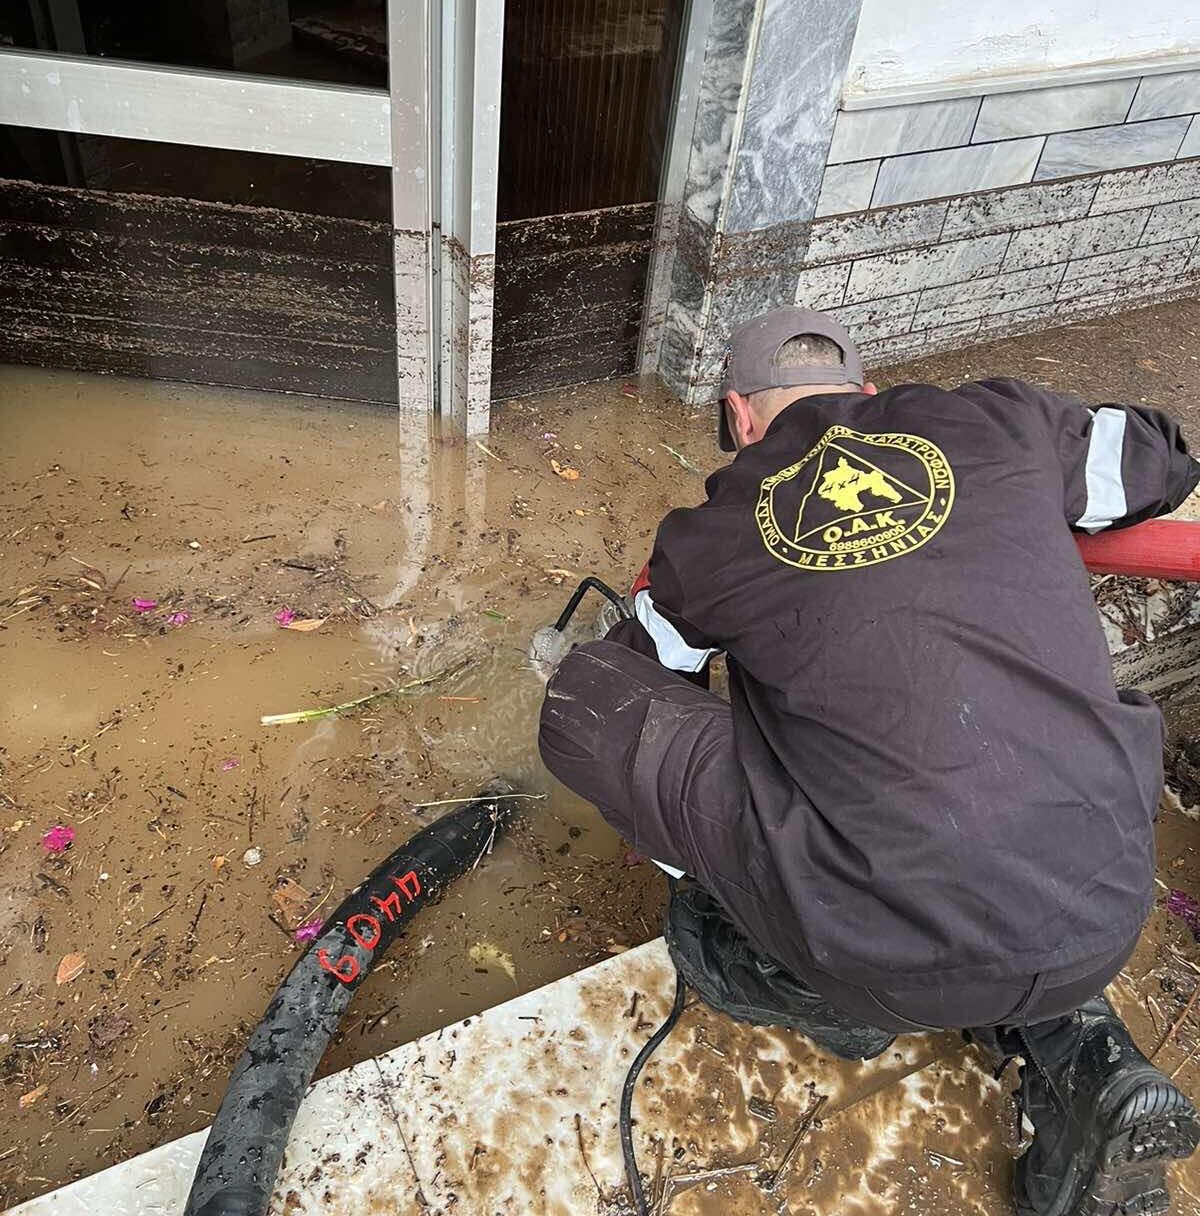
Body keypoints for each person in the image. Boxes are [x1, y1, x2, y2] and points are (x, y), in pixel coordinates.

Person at [538, 306, 1200, 1215]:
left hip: (875, 944)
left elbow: (646, 677)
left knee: (587, 704)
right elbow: (1158, 459)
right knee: (984, 790)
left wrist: (717, 848)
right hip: (1107, 896)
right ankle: (1086, 1061)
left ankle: (817, 977)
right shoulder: (998, 417)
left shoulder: (710, 532)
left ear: (738, 416)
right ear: (870, 389)